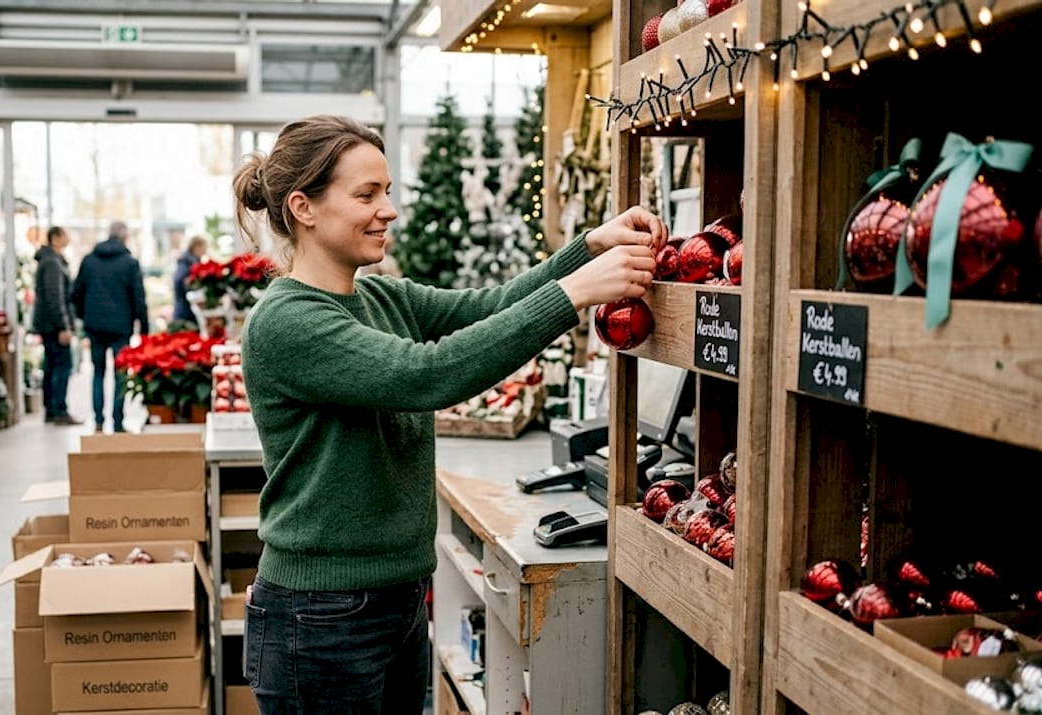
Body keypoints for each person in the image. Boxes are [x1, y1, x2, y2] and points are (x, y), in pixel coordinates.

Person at [233, 115, 664, 714]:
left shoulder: (380, 297)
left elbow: (488, 307)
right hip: (321, 617)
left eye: (386, 191)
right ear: (304, 207)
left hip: (394, 599)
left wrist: (585, 248)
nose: (388, 209)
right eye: (366, 195)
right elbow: (428, 374)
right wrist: (573, 295)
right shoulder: (288, 322)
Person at [70, 221, 149, 433]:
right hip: (121, 327)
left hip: (94, 326)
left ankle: (97, 420)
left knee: (97, 372)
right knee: (120, 374)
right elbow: (138, 298)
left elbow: (75, 293)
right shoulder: (130, 263)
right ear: (124, 237)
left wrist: (83, 316)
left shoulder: (88, 261)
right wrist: (143, 329)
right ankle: (117, 421)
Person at [30, 226, 81, 425]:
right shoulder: (52, 263)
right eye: (65, 235)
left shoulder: (50, 260)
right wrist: (63, 325)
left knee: (52, 365)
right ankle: (58, 408)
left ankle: (52, 408)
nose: (68, 238)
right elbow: (55, 296)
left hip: (48, 324)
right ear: (56, 238)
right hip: (54, 325)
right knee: (61, 365)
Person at [172, 234, 210, 325]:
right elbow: (180, 282)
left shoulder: (190, 261)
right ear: (197, 247)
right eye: (204, 248)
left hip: (185, 310)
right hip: (185, 312)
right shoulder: (187, 263)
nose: (205, 251)